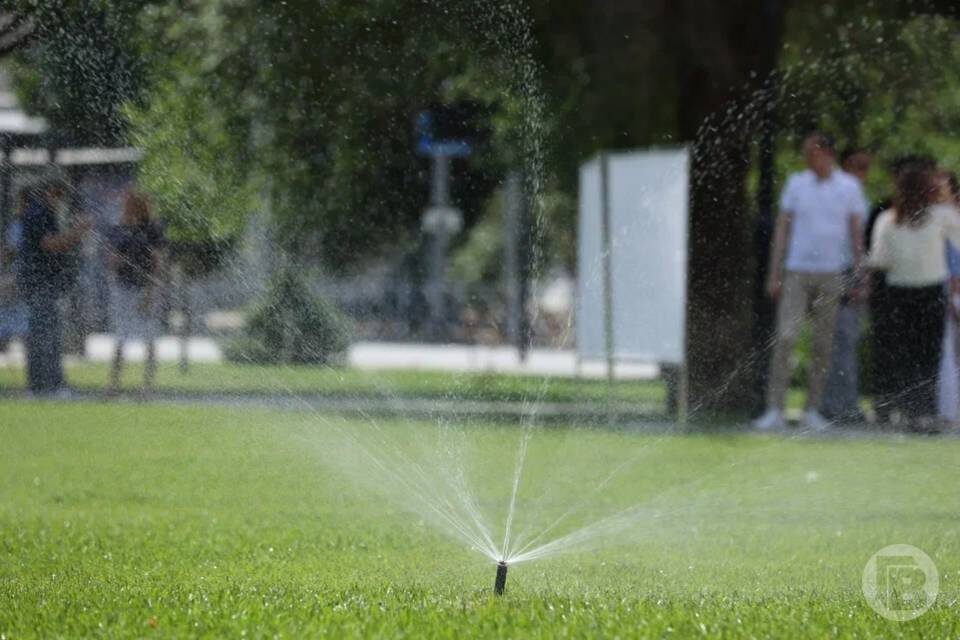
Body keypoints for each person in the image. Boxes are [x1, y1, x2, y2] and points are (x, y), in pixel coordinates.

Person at [753, 133, 868, 431]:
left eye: (811, 152)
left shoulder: (849, 187)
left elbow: (856, 235)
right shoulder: (796, 184)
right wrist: (774, 272)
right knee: (786, 337)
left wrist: (859, 275)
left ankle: (812, 409)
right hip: (797, 271)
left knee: (822, 343)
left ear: (828, 153)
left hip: (832, 272)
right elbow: (782, 230)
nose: (807, 158)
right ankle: (775, 409)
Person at [868, 164, 960, 431]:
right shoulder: (941, 216)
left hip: (899, 293)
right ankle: (924, 413)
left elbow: (879, 260)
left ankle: (907, 410)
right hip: (931, 292)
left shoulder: (887, 220)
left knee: (905, 353)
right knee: (928, 354)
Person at [17, 179, 91, 396]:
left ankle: (42, 385)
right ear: (51, 192)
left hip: (41, 282)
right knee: (46, 336)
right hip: (40, 283)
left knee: (45, 334)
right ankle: (49, 385)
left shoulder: (39, 212)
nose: (61, 201)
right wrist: (78, 232)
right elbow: (50, 244)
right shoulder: (40, 213)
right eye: (60, 196)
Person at [821, 149, 873, 422]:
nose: (862, 173)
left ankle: (842, 402)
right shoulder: (842, 193)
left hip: (846, 272)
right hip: (838, 271)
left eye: (866, 167)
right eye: (858, 165)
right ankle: (836, 404)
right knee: (836, 340)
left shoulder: (858, 196)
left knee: (845, 340)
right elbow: (854, 242)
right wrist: (858, 276)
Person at [106, 190, 166, 396]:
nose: (125, 207)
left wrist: (150, 292)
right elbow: (111, 260)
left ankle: (147, 386)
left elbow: (157, 263)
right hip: (123, 288)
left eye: (129, 203)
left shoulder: (152, 230)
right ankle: (114, 384)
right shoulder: (119, 229)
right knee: (120, 337)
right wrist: (117, 261)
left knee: (149, 338)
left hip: (145, 288)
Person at [934, 170, 960, 423]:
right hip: (944, 289)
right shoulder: (933, 219)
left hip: (954, 288)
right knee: (947, 353)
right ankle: (948, 412)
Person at [0, 192, 28, 352]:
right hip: (19, 276)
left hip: (18, 276)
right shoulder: (20, 225)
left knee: (16, 313)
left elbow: (10, 251)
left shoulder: (20, 225)